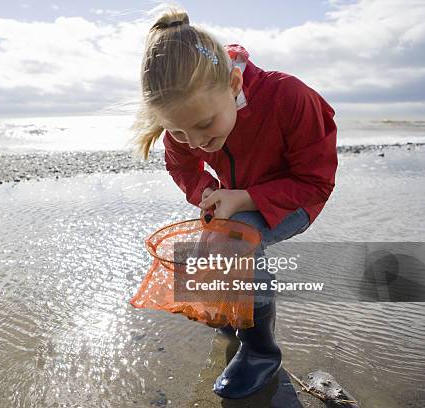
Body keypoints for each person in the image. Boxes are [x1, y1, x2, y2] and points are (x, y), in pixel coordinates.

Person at [130, 8, 338, 399]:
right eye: (177, 131)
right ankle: (235, 316)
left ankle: (261, 351)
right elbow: (182, 164)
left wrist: (245, 197)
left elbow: (314, 179)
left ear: (234, 82)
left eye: (205, 127)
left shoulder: (289, 97)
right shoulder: (187, 117)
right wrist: (206, 193)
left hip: (297, 197)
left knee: (239, 236)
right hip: (236, 197)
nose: (194, 142)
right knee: (217, 241)